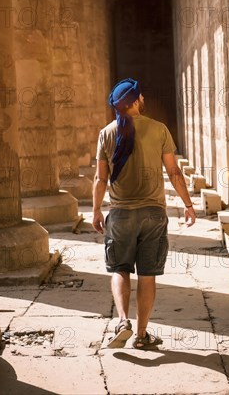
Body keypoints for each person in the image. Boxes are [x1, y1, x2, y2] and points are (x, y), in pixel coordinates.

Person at [92, 78, 196, 350]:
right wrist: (188, 203)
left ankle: (123, 321)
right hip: (153, 214)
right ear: (137, 100)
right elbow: (174, 172)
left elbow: (100, 179)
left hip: (120, 214)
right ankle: (141, 335)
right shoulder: (159, 129)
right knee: (147, 275)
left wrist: (95, 211)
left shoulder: (106, 133)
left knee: (119, 269)